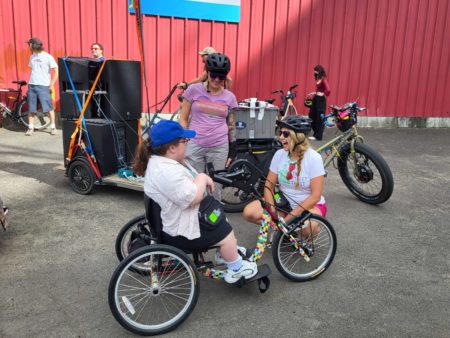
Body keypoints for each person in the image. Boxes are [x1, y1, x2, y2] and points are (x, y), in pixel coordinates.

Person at [133, 119, 258, 283]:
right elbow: (192, 198)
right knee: (226, 233)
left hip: (171, 218)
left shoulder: (159, 163)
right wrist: (202, 177)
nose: (188, 143)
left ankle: (225, 253)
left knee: (218, 214)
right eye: (184, 141)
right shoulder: (167, 172)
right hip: (180, 231)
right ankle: (235, 269)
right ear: (171, 148)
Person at [243, 115, 327, 236]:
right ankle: (289, 232)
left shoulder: (314, 158)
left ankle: (306, 233)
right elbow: (269, 185)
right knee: (249, 212)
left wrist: (289, 219)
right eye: (280, 132)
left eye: (286, 134)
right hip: (284, 202)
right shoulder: (279, 154)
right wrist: (272, 214)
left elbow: (315, 196)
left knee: (307, 227)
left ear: (298, 136)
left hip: (310, 205)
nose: (280, 137)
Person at [179, 53, 237, 200]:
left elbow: (232, 125)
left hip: (219, 147)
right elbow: (183, 118)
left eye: (221, 76)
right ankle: (195, 219)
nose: (217, 80)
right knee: (193, 185)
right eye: (214, 75)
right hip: (195, 144)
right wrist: (185, 139)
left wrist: (233, 151)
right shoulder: (193, 90)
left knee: (215, 187)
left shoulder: (230, 97)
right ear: (207, 72)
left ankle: (214, 219)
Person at [25, 37, 58, 136]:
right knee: (31, 108)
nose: (28, 46)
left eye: (29, 44)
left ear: (33, 45)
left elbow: (56, 70)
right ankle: (30, 128)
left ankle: (53, 127)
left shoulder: (48, 57)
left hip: (44, 86)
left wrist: (52, 83)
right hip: (32, 86)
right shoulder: (32, 57)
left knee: (48, 107)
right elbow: (32, 70)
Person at [307, 65, 330, 141]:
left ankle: (317, 136)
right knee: (311, 115)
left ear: (319, 71)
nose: (314, 73)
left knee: (320, 118)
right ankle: (318, 131)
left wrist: (323, 94)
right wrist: (314, 93)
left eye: (315, 71)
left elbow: (328, 90)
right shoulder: (318, 78)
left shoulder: (323, 79)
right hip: (316, 99)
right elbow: (319, 89)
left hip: (321, 100)